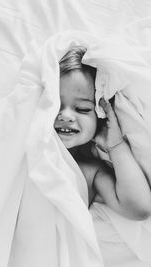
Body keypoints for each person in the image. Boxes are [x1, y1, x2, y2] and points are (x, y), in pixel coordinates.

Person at [54, 45, 151, 220]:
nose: (66, 115)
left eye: (83, 109)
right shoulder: (21, 150)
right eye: (55, 105)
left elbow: (140, 208)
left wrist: (117, 146)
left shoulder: (90, 171)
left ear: (99, 117)